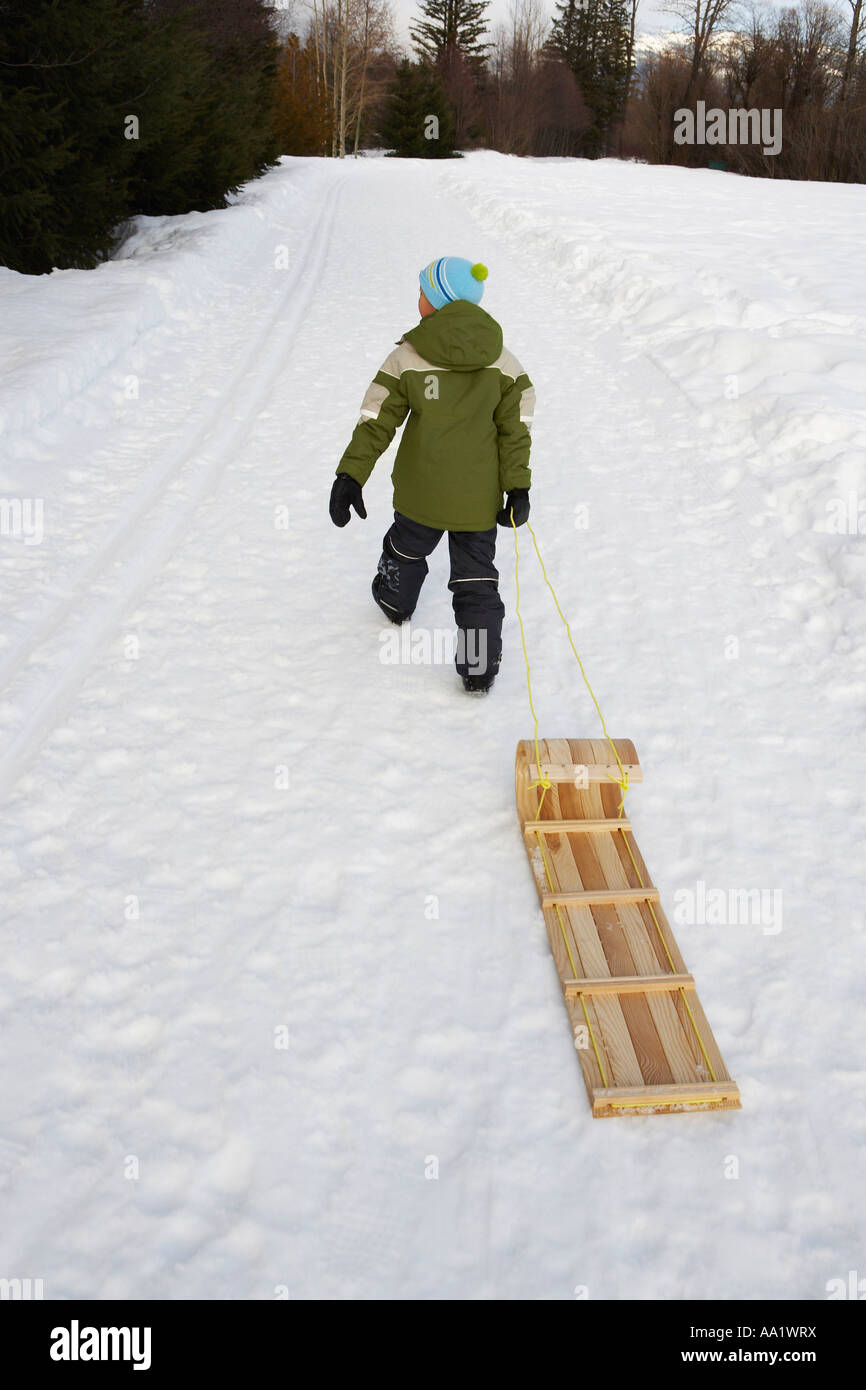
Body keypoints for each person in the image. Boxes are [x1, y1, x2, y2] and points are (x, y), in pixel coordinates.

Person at [329, 257, 534, 693]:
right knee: (476, 580)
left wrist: (351, 474)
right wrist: (517, 486)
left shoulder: (407, 357)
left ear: (437, 301)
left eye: (423, 291)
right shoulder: (504, 362)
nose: (418, 298)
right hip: (477, 501)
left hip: (420, 494)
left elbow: (377, 418)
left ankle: (393, 601)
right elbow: (515, 428)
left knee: (405, 549)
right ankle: (478, 667)